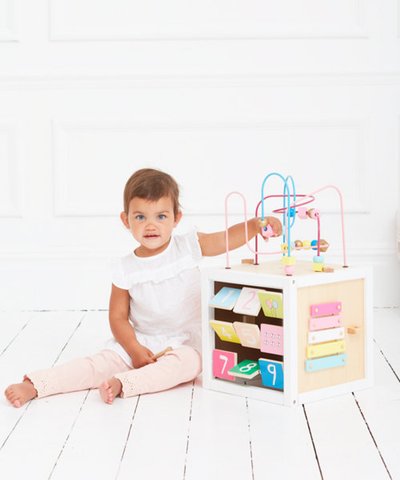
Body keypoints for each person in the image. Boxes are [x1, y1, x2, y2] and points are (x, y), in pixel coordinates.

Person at [4, 168, 282, 407]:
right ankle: (38, 384)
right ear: (126, 220)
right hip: (143, 340)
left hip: (186, 341)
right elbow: (117, 317)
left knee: (185, 367)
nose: (151, 225)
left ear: (176, 218)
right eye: (140, 217)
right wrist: (133, 348)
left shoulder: (187, 247)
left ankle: (125, 384)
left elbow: (225, 239)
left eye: (161, 216)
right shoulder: (125, 267)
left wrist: (256, 226)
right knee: (94, 364)